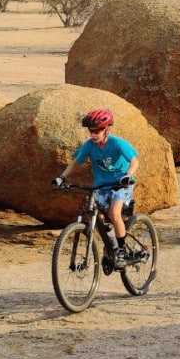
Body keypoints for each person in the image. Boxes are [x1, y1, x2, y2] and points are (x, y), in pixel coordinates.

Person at [52, 108, 139, 268]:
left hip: (121, 183)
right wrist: (62, 177)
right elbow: (76, 162)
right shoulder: (89, 146)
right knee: (96, 216)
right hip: (101, 185)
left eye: (97, 130)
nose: (93, 134)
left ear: (107, 128)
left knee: (114, 212)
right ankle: (110, 245)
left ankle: (121, 251)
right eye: (91, 130)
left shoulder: (117, 143)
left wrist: (128, 175)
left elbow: (134, 162)